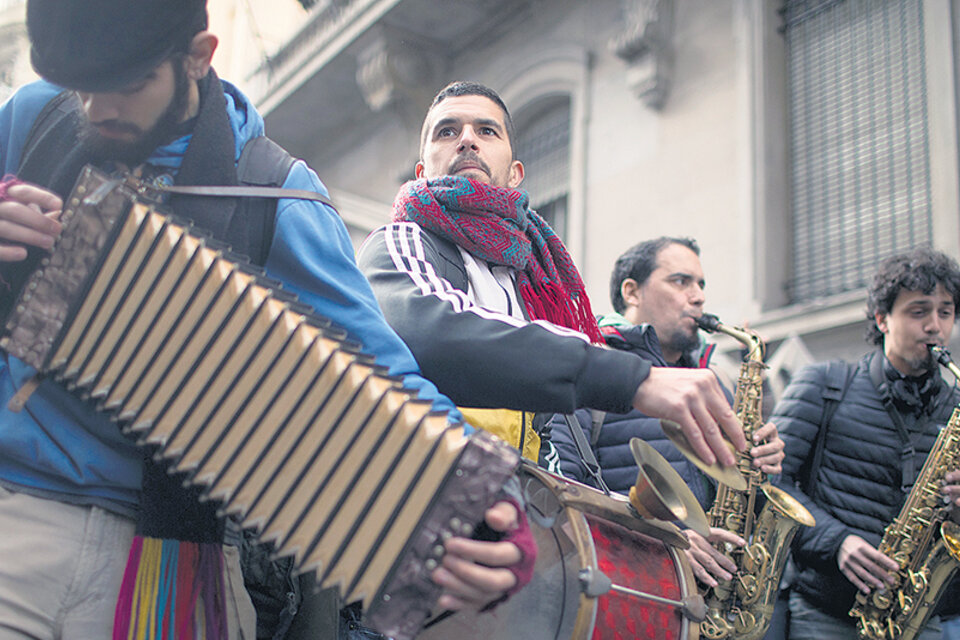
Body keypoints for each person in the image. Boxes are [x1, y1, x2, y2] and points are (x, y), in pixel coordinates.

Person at [0, 4, 532, 638]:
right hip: (16, 517)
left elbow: (377, 373)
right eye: (81, 85)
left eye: (128, 84)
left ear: (199, 55)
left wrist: (482, 501)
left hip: (177, 560)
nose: (96, 108)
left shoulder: (282, 192)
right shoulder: (35, 115)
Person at [356, 81, 746, 471]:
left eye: (486, 131)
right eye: (448, 131)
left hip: (501, 501)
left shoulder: (536, 277)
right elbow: (432, 332)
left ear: (515, 174)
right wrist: (633, 378)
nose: (467, 140)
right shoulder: (400, 239)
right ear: (422, 171)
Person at [548, 236, 785, 587]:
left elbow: (746, 501)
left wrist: (763, 468)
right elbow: (561, 493)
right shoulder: (592, 368)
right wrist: (663, 540)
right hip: (631, 589)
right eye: (680, 281)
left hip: (712, 591)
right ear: (632, 292)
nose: (699, 296)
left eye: (701, 284)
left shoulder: (715, 383)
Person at [773, 248, 960, 640]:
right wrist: (837, 542)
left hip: (920, 616)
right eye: (918, 311)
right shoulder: (824, 384)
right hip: (825, 613)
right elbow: (770, 484)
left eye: (945, 312)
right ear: (881, 319)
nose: (935, 326)